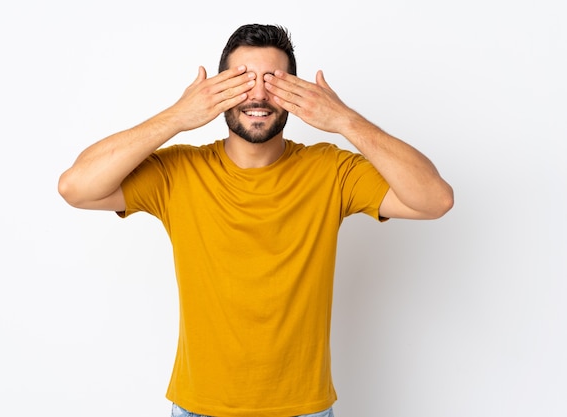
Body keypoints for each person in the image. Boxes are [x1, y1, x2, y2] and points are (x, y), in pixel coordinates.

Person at [58, 23, 453, 417]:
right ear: (217, 90)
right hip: (200, 408)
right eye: (243, 80)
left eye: (274, 81)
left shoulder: (330, 170)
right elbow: (76, 187)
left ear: (297, 93)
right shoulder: (178, 172)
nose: (259, 94)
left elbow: (435, 199)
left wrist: (345, 121)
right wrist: (177, 116)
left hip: (303, 409)